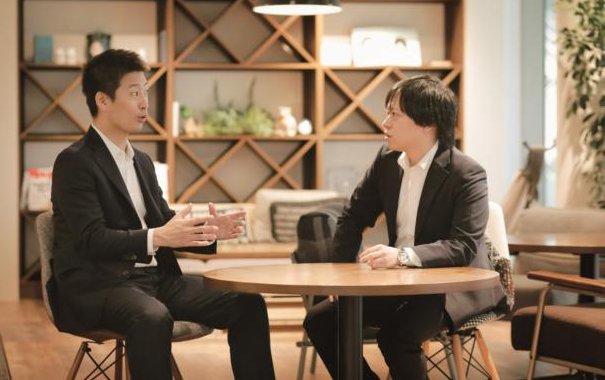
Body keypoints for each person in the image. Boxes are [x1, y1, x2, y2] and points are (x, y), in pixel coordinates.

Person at [49, 49, 275, 380]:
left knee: (247, 303)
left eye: (146, 92)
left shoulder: (141, 161)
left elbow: (164, 222)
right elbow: (91, 239)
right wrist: (158, 237)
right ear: (103, 100)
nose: (145, 103)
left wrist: (209, 230)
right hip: (98, 285)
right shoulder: (75, 162)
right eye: (134, 93)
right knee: (152, 317)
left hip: (155, 280)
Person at [303, 75, 506, 380]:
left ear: (427, 123)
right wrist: (341, 278)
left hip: (449, 287)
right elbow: (352, 217)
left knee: (397, 337)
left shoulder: (467, 174)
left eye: (395, 114)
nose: (385, 122)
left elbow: (462, 247)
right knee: (320, 320)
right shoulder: (387, 162)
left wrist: (401, 256)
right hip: (398, 282)